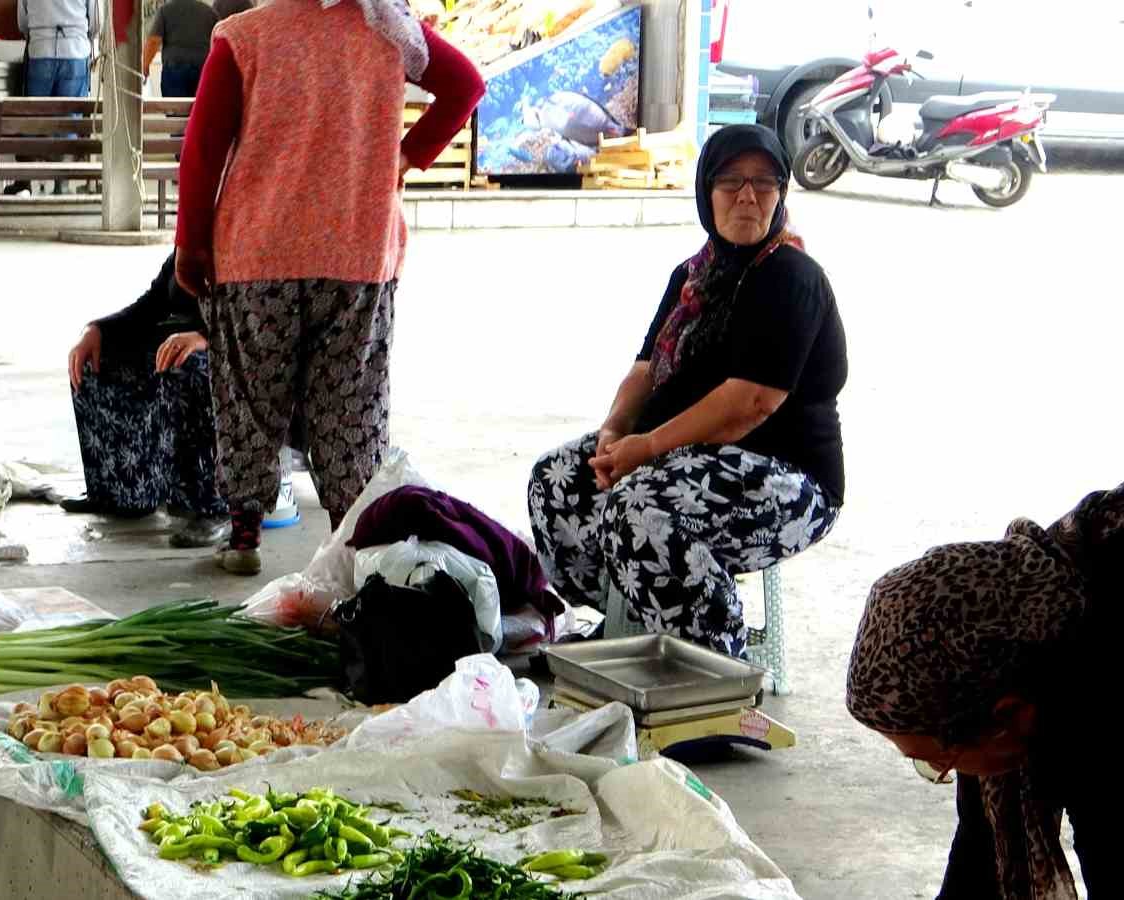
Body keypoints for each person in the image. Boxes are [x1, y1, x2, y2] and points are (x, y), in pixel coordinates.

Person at [174, 0, 484, 575]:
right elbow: (466, 85)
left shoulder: (245, 37)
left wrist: (191, 244)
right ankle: (355, 537)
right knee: (350, 401)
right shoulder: (389, 30)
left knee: (251, 394)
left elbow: (202, 150)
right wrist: (410, 154)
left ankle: (244, 534)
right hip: (357, 252)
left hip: (257, 255)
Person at [526, 124, 847, 657]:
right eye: (730, 182)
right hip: (691, 454)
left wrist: (647, 449)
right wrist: (615, 433)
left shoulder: (790, 276)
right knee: (557, 480)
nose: (747, 195)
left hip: (789, 479)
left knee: (641, 508)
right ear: (706, 192)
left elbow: (750, 403)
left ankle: (715, 667)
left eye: (764, 182)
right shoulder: (695, 275)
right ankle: (625, 623)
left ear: (782, 194)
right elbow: (645, 370)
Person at [846, 484, 1122, 900]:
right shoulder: (1017, 625)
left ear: (1010, 715)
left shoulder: (1093, 713)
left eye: (939, 762)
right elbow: (979, 861)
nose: (951, 772)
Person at [64, 252, 231, 548]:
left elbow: (258, 316)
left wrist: (204, 337)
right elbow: (151, 306)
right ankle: (122, 493)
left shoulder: (245, 242)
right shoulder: (189, 247)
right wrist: (97, 329)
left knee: (186, 366)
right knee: (95, 361)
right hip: (175, 342)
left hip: (232, 352)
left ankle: (214, 508)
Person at [12, 0, 100, 195]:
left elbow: (22, 22)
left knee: (32, 120)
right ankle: (63, 183)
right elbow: (96, 21)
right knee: (70, 121)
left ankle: (25, 182)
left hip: (40, 50)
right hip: (75, 52)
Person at [144, 0, 218, 98]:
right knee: (199, 110)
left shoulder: (165, 10)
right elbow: (218, 41)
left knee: (175, 109)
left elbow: (154, 41)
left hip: (174, 70)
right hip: (203, 70)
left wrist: (145, 65)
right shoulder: (210, 12)